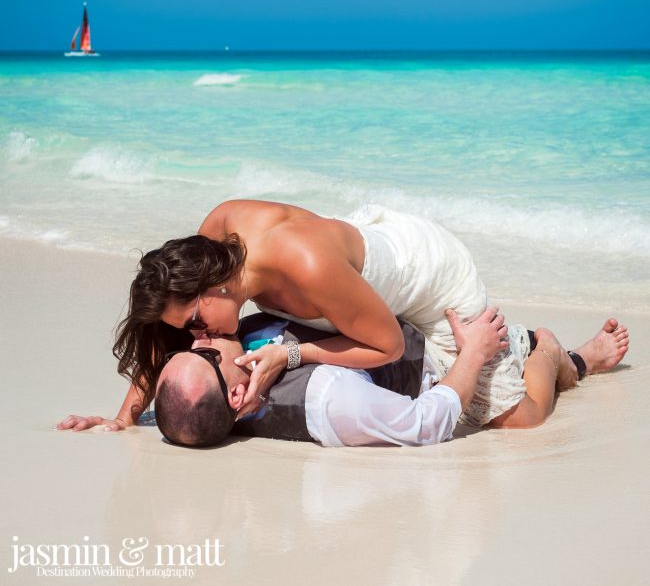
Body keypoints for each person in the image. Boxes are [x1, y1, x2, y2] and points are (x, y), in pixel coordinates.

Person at [56, 199, 630, 434]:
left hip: (426, 275)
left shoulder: (302, 268)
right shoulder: (214, 238)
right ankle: (525, 349)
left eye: (196, 322)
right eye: (193, 334)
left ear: (213, 285)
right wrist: (125, 418)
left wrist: (293, 352)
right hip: (355, 269)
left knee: (516, 422)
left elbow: (382, 344)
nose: (198, 336)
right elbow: (164, 334)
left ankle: (556, 351)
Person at [152, 308, 629, 448]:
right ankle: (564, 357)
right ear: (238, 395)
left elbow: (177, 401)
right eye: (205, 354)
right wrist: (474, 354)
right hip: (436, 364)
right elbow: (425, 422)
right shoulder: (326, 401)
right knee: (527, 418)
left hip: (405, 324)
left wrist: (125, 415)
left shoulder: (225, 369)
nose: (198, 339)